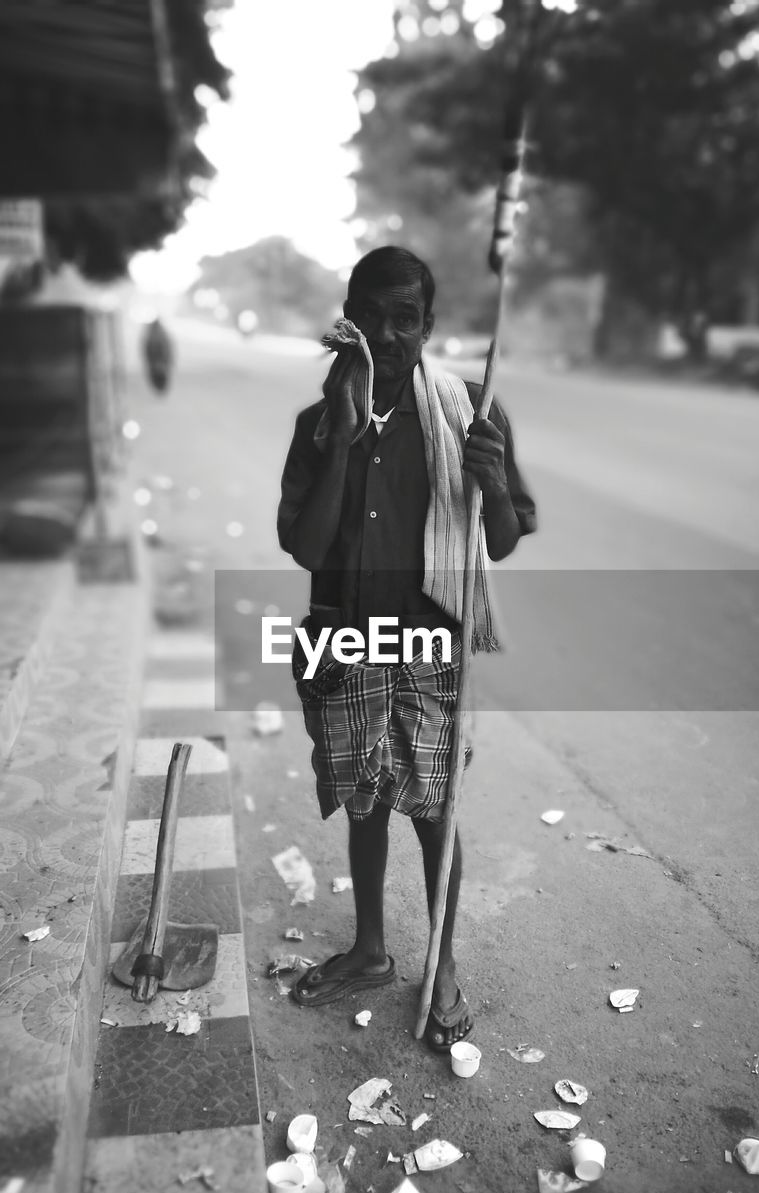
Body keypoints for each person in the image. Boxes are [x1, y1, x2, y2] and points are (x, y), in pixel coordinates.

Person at [276, 246, 536, 1052]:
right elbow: (305, 545)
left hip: (428, 644)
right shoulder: (319, 424)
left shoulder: (470, 413)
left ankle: (443, 964)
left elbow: (503, 536)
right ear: (349, 317)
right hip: (343, 639)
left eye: (406, 319)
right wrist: (346, 442)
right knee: (365, 802)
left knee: (435, 815)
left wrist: (490, 483)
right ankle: (370, 950)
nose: (388, 335)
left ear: (428, 326)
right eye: (373, 316)